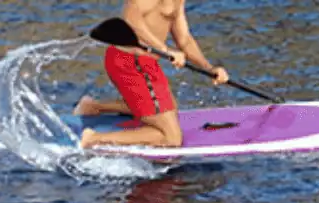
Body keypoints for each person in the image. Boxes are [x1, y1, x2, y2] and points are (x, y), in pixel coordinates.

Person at [74, 0, 231, 149]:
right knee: (172, 138)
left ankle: (94, 107)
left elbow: (184, 40)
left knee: (171, 110)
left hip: (146, 64)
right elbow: (132, 22)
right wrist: (164, 50)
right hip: (129, 63)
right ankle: (93, 138)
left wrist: (209, 68)